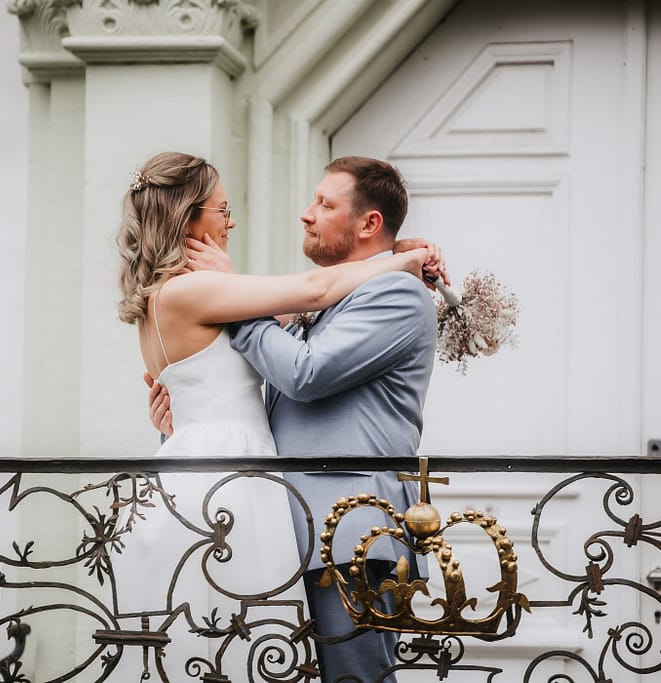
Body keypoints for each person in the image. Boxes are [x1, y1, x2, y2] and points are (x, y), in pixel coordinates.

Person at [114, 151, 437, 681]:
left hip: (342, 527)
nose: (306, 213)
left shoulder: (396, 293)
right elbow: (302, 310)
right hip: (252, 505)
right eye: (223, 209)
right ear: (189, 217)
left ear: (369, 223)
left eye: (323, 203)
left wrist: (402, 260)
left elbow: (305, 370)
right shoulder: (204, 293)